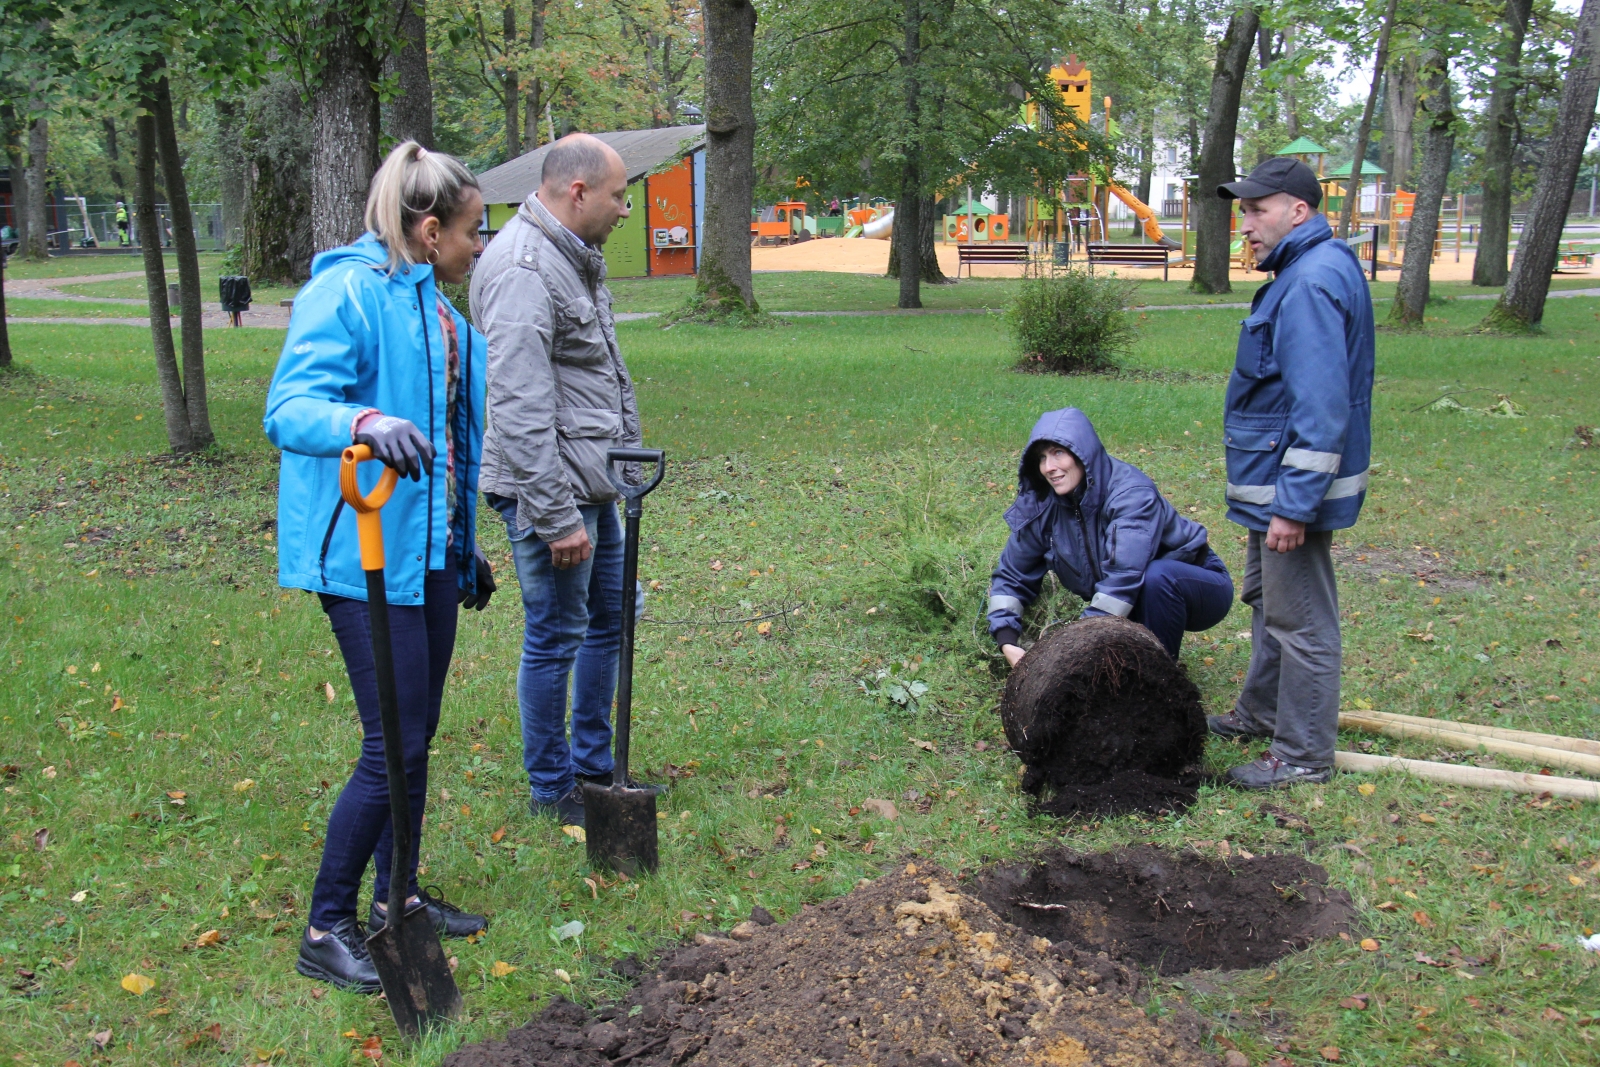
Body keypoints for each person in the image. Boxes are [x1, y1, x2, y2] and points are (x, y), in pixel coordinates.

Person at [264, 141, 496, 992]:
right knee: (390, 742)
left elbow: (456, 440)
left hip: (426, 549)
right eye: (475, 231)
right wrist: (363, 417)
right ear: (430, 231)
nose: (483, 246)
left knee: (417, 733)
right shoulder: (349, 291)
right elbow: (290, 407)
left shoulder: (437, 311)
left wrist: (463, 541)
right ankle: (327, 923)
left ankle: (396, 898)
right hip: (360, 555)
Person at [471, 133, 645, 829]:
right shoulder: (523, 268)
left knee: (609, 620)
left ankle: (594, 768)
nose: (626, 209)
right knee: (555, 634)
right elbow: (516, 404)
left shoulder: (571, 259)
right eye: (618, 195)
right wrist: (554, 515)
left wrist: (622, 468)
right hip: (552, 492)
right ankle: (552, 787)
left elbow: (594, 377)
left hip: (592, 482)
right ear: (579, 192)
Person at [1208, 157, 1374, 790]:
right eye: (1243, 211)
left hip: (1289, 491)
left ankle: (1301, 753)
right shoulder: (1304, 270)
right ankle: (1261, 713)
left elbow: (1322, 406)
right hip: (1271, 485)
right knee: (1268, 602)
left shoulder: (1308, 282)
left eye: (1257, 210)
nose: (1245, 223)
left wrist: (1292, 505)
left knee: (1300, 620)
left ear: (1298, 211)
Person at [988, 408, 1234, 665]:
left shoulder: (1130, 494)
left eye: (1058, 452)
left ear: (1083, 453)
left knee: (1156, 577)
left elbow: (1123, 578)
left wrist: (1072, 647)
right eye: (1041, 458)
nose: (1049, 467)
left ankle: (1159, 676)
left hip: (1198, 586)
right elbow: (1012, 575)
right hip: (1130, 602)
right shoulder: (1044, 506)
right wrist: (1007, 641)